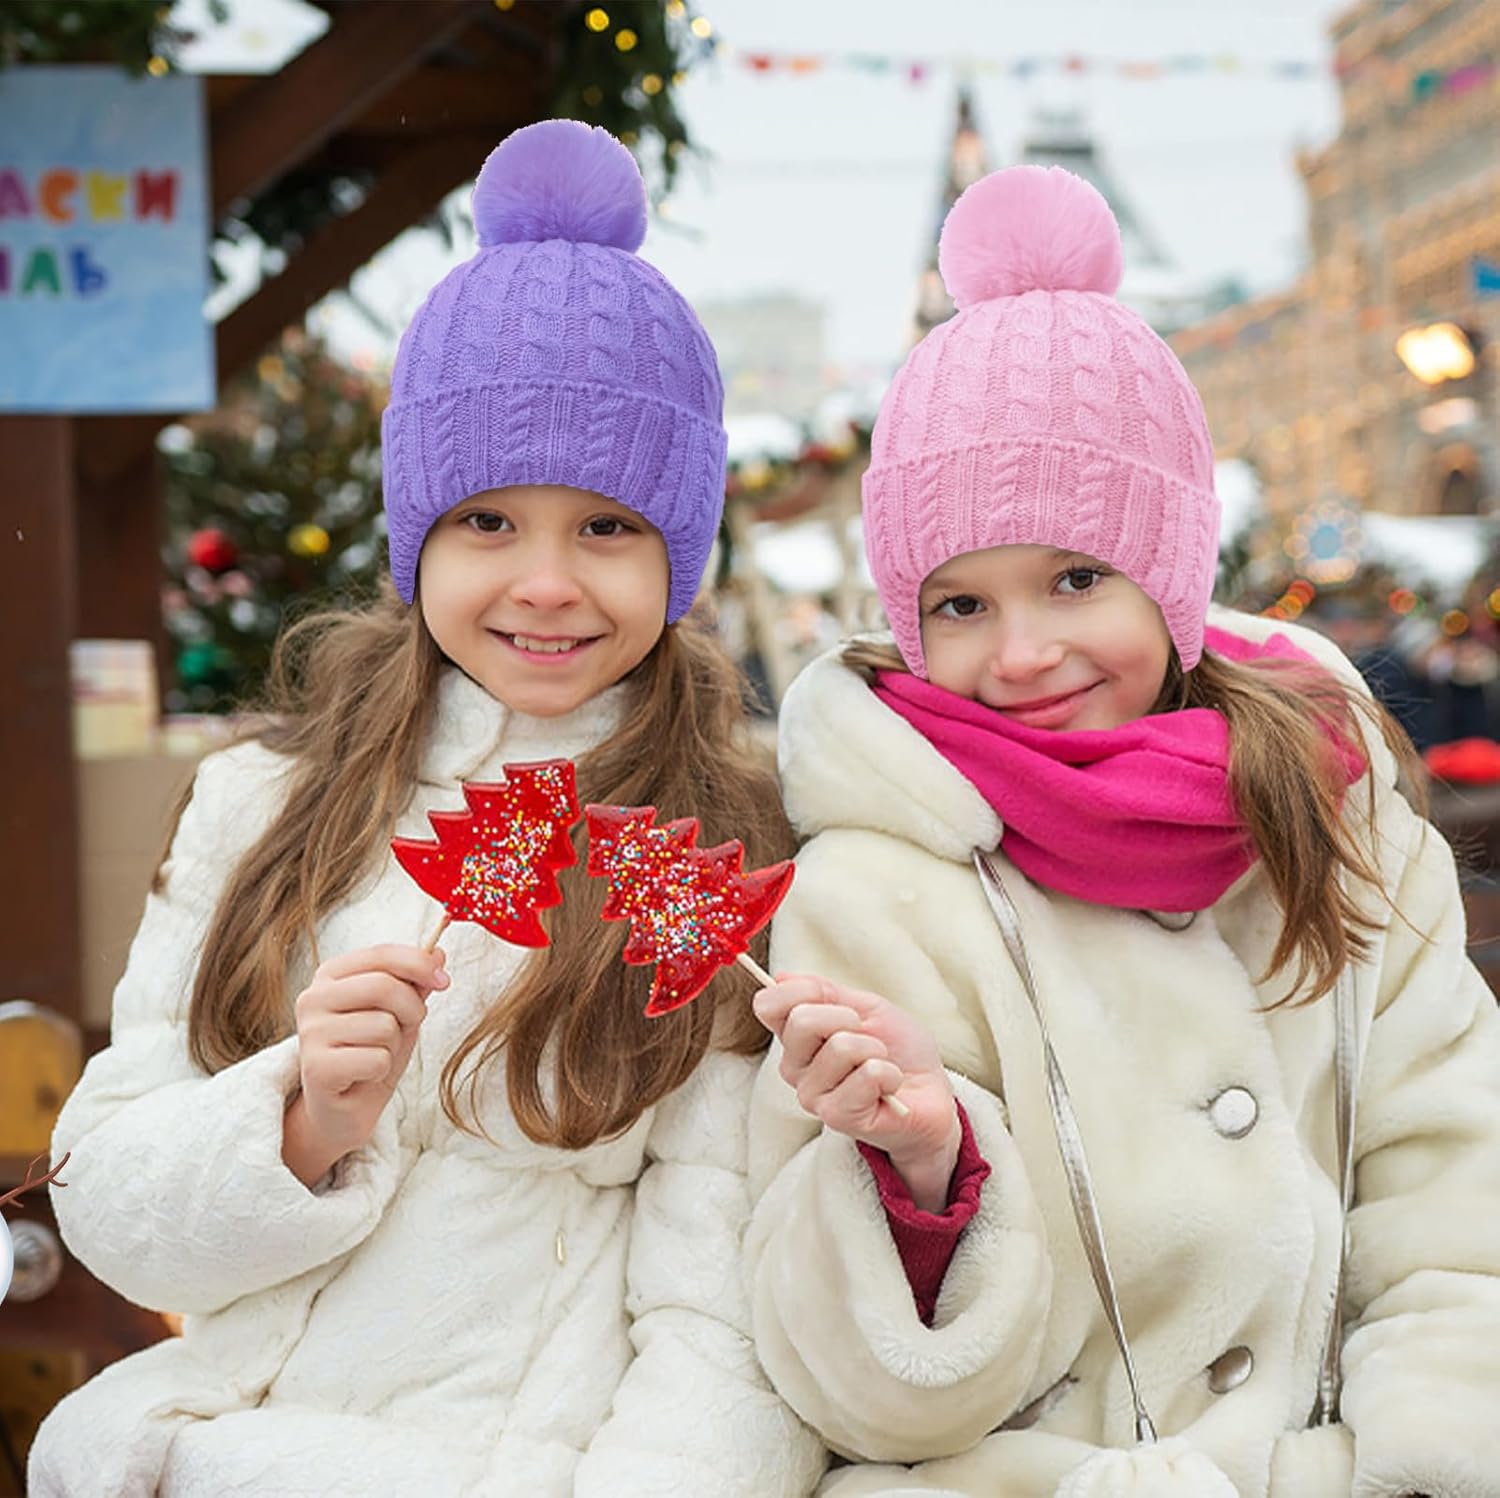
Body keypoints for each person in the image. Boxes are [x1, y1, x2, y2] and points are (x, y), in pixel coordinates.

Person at [31, 120, 822, 1498]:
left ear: (680, 549)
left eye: (609, 526)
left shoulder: (710, 849)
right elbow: (107, 1195)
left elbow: (722, 1315)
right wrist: (301, 1118)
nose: (547, 582)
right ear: (418, 534)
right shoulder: (267, 806)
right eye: (490, 522)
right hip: (188, 1456)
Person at [745, 164, 1500, 1497]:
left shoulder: (1337, 812)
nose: (1023, 651)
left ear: (1170, 572)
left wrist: (1429, 1453)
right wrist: (926, 1171)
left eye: (1076, 578)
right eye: (962, 605)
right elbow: (854, 1388)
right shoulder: (869, 886)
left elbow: (1455, 1186)